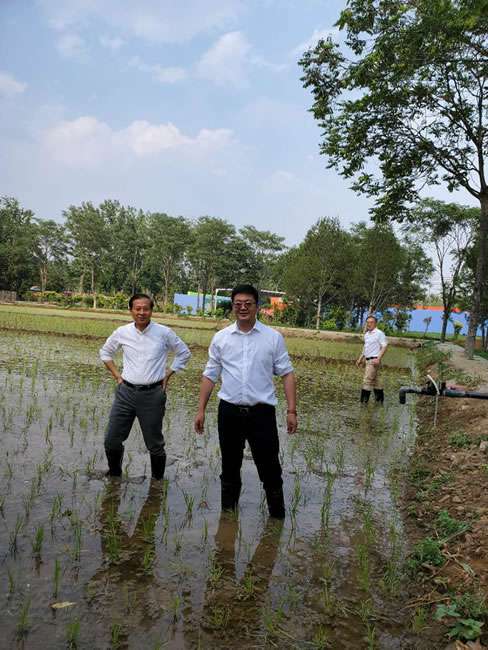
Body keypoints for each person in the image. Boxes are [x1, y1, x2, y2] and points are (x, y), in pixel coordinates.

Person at [194, 284, 297, 519]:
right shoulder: (221, 338)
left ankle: (277, 518)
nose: (243, 308)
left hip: (262, 414)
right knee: (229, 467)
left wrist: (292, 410)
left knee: (270, 468)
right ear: (232, 307)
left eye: (248, 304)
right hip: (229, 412)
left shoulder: (273, 338)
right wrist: (200, 409)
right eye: (238, 304)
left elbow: (287, 374)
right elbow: (210, 375)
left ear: (257, 307)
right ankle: (228, 520)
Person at [99, 293, 191, 480]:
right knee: (112, 440)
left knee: (154, 443)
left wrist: (168, 373)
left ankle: (157, 482)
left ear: (151, 310)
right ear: (131, 310)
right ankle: (114, 475)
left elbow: (184, 353)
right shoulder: (122, 332)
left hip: (152, 394)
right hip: (125, 393)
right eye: (137, 309)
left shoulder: (163, 332)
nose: (141, 312)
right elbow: (105, 352)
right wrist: (117, 376)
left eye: (146, 309)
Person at [356, 314, 388, 403]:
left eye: (371, 322)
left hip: (374, 360)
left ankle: (363, 403)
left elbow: (384, 346)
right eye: (367, 322)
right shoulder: (367, 334)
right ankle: (379, 403)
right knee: (377, 382)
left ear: (375, 323)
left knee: (367, 381)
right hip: (368, 360)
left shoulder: (379, 333)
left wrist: (378, 358)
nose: (369, 324)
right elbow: (365, 348)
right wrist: (360, 359)